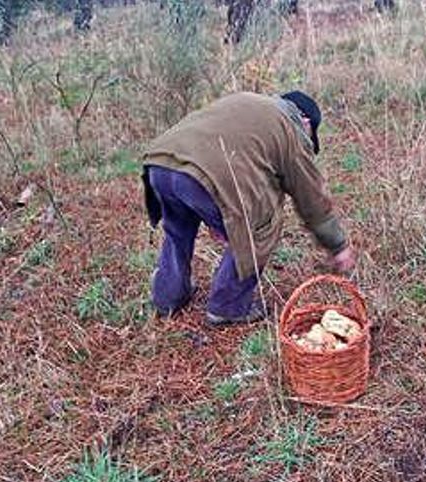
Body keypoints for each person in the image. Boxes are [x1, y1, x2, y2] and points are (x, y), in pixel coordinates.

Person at [141, 90, 356, 326]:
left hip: (159, 164)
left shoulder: (246, 101)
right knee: (263, 225)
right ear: (305, 121)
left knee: (177, 230)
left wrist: (221, 216)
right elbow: (310, 198)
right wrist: (338, 246)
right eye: (310, 135)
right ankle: (228, 306)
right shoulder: (290, 128)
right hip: (201, 179)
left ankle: (168, 297)